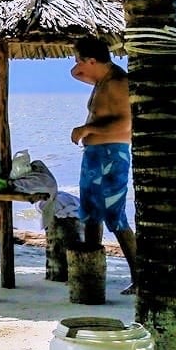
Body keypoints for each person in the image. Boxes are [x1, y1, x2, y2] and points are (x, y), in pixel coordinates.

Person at [69, 37, 136, 295]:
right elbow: (77, 74)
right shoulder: (101, 81)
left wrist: (87, 128)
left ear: (92, 61)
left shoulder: (118, 83)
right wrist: (80, 63)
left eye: (79, 61)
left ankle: (139, 276)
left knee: (114, 215)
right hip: (95, 154)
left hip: (112, 154)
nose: (76, 67)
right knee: (90, 212)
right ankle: (91, 270)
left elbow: (124, 125)